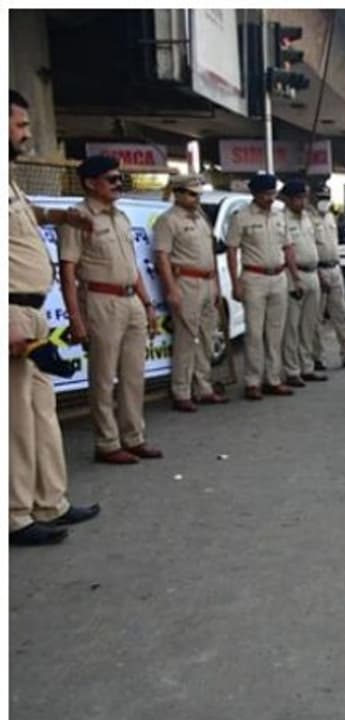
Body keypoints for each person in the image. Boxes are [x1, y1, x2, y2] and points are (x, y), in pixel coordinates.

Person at [9, 90, 100, 545]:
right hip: (10, 314)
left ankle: (51, 502)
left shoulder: (8, 182)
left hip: (32, 311)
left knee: (42, 415)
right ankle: (15, 516)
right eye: (21, 125)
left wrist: (60, 216)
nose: (27, 133)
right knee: (16, 425)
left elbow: (25, 217)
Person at [57, 155, 163, 464]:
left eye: (121, 179)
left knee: (134, 375)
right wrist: (75, 318)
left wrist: (147, 304)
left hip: (131, 301)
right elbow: (67, 271)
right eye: (112, 179)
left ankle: (134, 437)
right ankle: (107, 442)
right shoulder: (77, 217)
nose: (119, 185)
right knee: (103, 377)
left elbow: (133, 267)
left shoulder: (121, 217)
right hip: (100, 301)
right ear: (91, 183)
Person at [153, 174, 227, 412]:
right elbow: (162, 256)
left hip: (206, 281)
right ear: (178, 193)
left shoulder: (202, 219)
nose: (197, 198)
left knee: (206, 337)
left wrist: (215, 285)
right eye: (192, 194)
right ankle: (182, 391)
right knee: (186, 338)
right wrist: (171, 288)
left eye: (198, 194)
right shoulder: (168, 220)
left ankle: (203, 387)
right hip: (185, 281)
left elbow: (210, 255)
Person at [226, 173, 294, 400]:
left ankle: (273, 379)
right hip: (254, 278)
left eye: (273, 193)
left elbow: (288, 247)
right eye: (266, 194)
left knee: (276, 331)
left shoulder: (279, 216)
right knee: (254, 332)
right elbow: (232, 250)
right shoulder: (241, 217)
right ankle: (252, 381)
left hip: (278, 277)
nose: (270, 198)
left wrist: (293, 276)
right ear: (254, 194)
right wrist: (235, 283)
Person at [309, 188, 345, 371]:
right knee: (316, 318)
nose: (324, 202)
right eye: (321, 198)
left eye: (326, 198)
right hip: (319, 269)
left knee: (342, 315)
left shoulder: (330, 218)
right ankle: (317, 358)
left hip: (335, 268)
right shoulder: (309, 219)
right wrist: (318, 273)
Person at [279, 181, 327, 387]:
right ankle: (292, 370)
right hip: (293, 274)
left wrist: (320, 272)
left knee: (309, 324)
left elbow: (314, 245)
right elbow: (283, 250)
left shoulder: (308, 218)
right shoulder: (281, 220)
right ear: (288, 199)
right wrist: (294, 276)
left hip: (312, 272)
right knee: (291, 326)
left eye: (304, 197)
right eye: (299, 198)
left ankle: (307, 367)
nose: (303, 201)